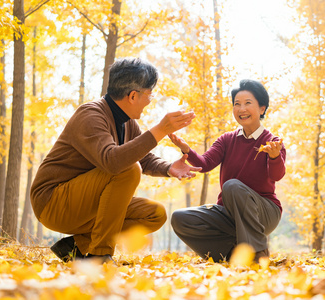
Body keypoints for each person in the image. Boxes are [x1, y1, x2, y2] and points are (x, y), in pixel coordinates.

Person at [30, 57, 201, 263]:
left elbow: (143, 158)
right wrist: (160, 129)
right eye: (149, 94)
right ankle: (99, 255)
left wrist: (168, 168)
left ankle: (75, 246)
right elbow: (113, 162)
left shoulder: (127, 123)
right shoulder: (90, 115)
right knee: (129, 169)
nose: (150, 100)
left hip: (85, 203)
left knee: (154, 214)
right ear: (132, 95)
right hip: (53, 202)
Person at [169, 79, 286, 262]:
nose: (241, 109)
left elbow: (276, 176)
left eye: (248, 103)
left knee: (232, 186)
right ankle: (232, 256)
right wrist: (186, 149)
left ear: (262, 108)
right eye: (237, 104)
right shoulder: (227, 140)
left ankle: (258, 253)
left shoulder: (272, 142)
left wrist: (274, 156)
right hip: (228, 214)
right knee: (180, 218)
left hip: (263, 211)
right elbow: (205, 164)